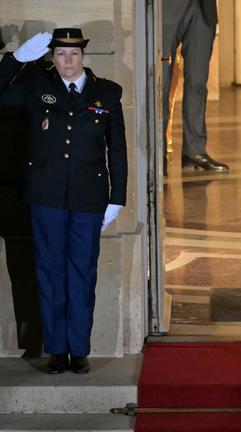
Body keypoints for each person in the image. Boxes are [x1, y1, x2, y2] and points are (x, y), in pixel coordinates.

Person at [0, 29, 127, 374]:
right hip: (46, 197)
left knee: (82, 274)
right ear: (51, 57)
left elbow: (117, 149)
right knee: (50, 272)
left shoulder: (107, 92)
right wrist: (15, 60)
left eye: (73, 54)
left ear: (84, 56)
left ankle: (79, 350)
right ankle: (56, 350)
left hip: (89, 198)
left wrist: (118, 198)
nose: (67, 61)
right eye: (60, 54)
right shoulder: (36, 88)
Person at [162, 0, 228, 173]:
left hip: (203, 8)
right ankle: (157, 150)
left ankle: (194, 152)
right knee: (160, 83)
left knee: (198, 83)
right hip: (165, 8)